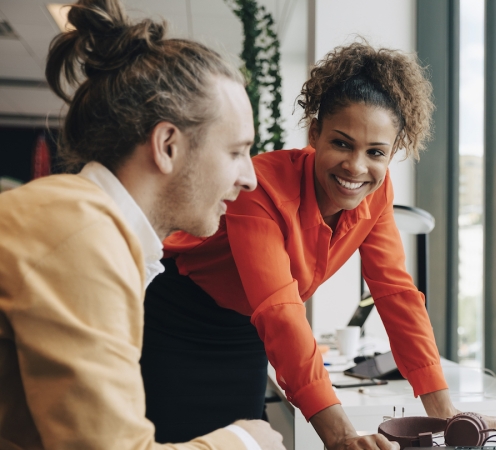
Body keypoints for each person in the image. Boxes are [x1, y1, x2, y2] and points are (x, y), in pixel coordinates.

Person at [141, 42, 496, 449]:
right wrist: (342, 436)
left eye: (376, 153)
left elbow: (396, 293)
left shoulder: (377, 194)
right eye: (342, 143)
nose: (356, 167)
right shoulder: (259, 187)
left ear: (394, 152)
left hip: (246, 333)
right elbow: (280, 310)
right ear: (314, 133)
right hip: (178, 320)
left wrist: (443, 409)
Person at [0, 1, 286, 449]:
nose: (249, 178)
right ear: (168, 146)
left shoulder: (91, 227)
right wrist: (245, 441)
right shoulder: (81, 235)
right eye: (236, 152)